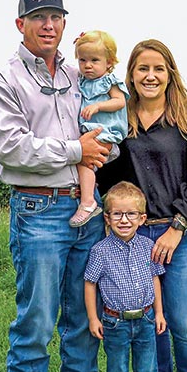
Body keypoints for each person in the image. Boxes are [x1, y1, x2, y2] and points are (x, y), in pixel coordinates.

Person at [0, 0, 115, 372]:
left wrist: (105, 146)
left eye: (55, 16)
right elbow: (10, 146)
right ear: (21, 25)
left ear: (64, 24)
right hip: (37, 209)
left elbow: (106, 130)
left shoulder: (83, 75)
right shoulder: (3, 78)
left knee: (82, 315)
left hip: (86, 207)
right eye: (38, 17)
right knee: (36, 319)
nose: (48, 25)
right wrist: (79, 149)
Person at [96, 38, 187, 372]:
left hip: (177, 236)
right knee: (153, 323)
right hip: (133, 239)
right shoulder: (121, 120)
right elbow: (107, 178)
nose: (150, 76)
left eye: (158, 69)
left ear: (169, 74)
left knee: (184, 323)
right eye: (142, 68)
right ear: (130, 75)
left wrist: (178, 228)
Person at [84, 181, 167, 372]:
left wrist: (159, 313)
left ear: (142, 218)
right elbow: (90, 283)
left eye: (131, 214)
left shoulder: (147, 247)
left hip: (144, 319)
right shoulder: (100, 251)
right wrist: (93, 317)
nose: (124, 220)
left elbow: (155, 280)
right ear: (107, 218)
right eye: (117, 214)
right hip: (114, 322)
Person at [69, 30, 129, 228]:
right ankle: (87, 191)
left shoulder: (109, 81)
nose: (87, 65)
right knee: (83, 161)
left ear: (109, 62)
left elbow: (119, 102)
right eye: (82, 60)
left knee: (83, 161)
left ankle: (88, 202)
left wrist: (98, 106)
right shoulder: (83, 82)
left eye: (94, 60)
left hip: (106, 131)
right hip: (92, 132)